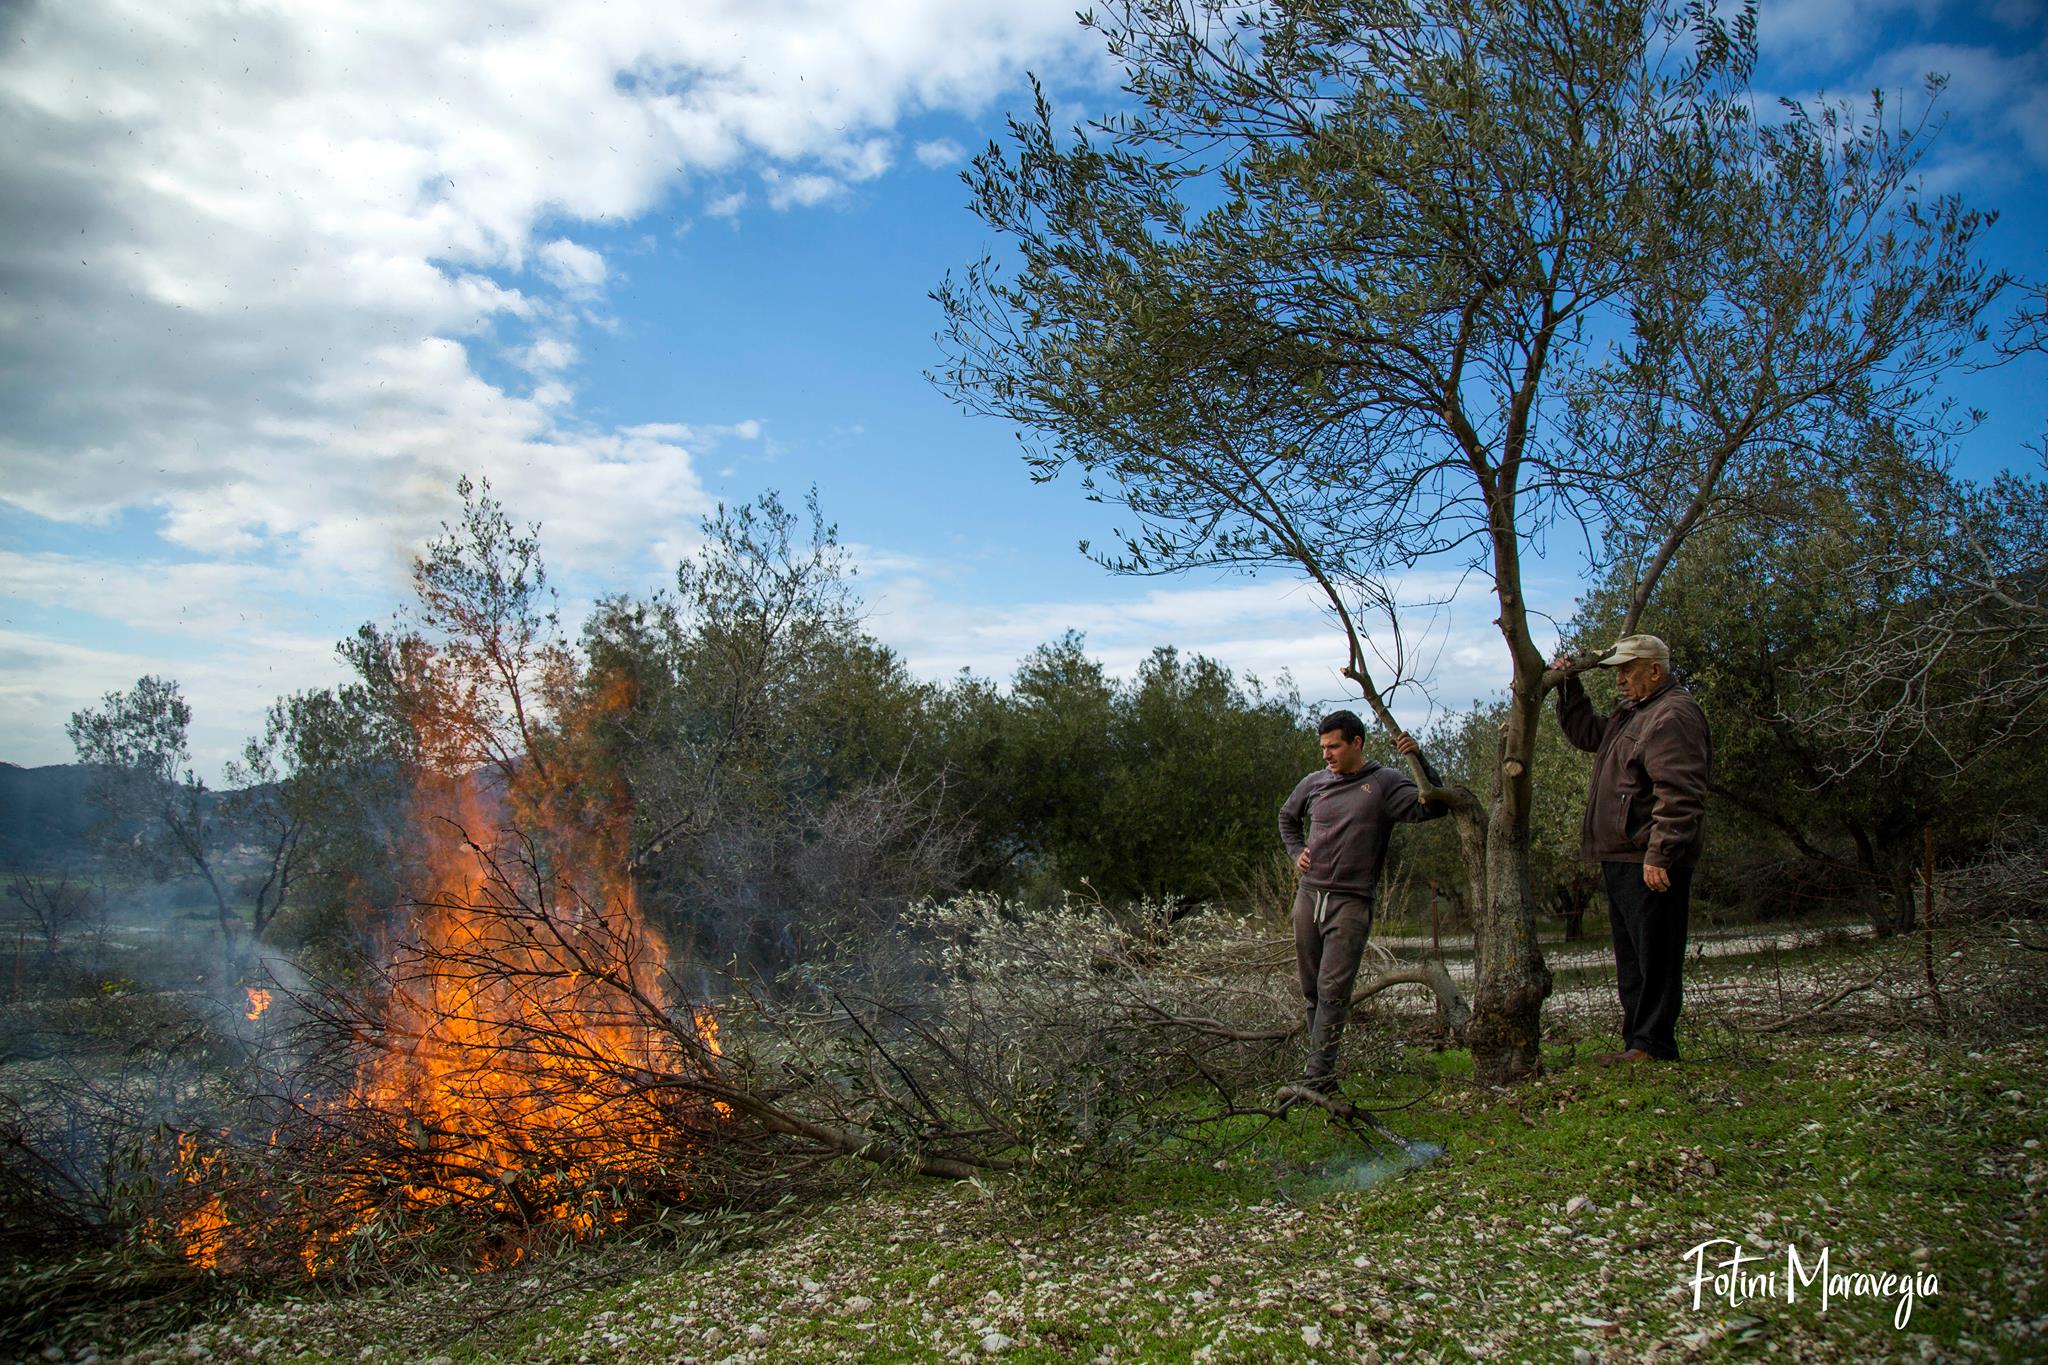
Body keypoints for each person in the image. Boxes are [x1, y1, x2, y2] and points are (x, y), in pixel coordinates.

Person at [1550, 634, 1712, 1064]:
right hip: (1622, 855)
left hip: (1648, 858)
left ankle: (1653, 1046)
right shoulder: (1633, 713)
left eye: (1627, 670)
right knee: (1633, 961)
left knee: (1655, 957)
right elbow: (1589, 734)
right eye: (1618, 670)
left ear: (1654, 670)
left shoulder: (1672, 714)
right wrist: (1568, 687)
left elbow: (1680, 793)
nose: (1620, 679)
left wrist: (1662, 852)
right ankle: (1638, 1044)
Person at [1276, 710, 1448, 1092]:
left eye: (1333, 746)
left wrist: (1418, 758)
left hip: (1351, 903)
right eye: (1322, 747)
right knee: (1310, 991)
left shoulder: (1383, 783)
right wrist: (1296, 852)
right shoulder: (1315, 783)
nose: (1326, 755)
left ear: (1357, 743)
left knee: (1333, 990)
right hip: (1308, 897)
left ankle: (1317, 1077)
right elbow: (1287, 818)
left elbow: (1433, 806)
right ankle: (1321, 1073)